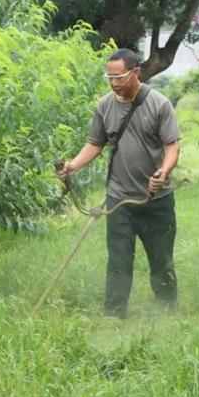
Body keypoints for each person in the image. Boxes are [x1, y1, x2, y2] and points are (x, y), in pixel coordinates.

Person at [56, 48, 181, 319]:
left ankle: (167, 313)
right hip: (119, 201)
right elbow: (94, 144)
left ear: (136, 73)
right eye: (109, 78)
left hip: (156, 202)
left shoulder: (159, 104)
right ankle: (113, 317)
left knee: (161, 262)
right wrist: (73, 166)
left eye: (119, 77)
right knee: (119, 262)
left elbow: (172, 146)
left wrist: (164, 171)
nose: (113, 83)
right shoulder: (104, 106)